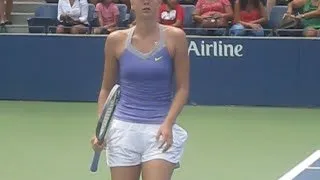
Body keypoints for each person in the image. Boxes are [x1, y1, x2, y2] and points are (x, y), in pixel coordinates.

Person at [91, 0, 190, 179]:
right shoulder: (115, 40)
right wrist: (101, 129)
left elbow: (183, 88)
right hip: (123, 130)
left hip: (160, 131)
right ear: (131, 4)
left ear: (159, 3)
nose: (146, 1)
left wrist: (168, 122)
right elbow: (106, 89)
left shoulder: (176, 37)